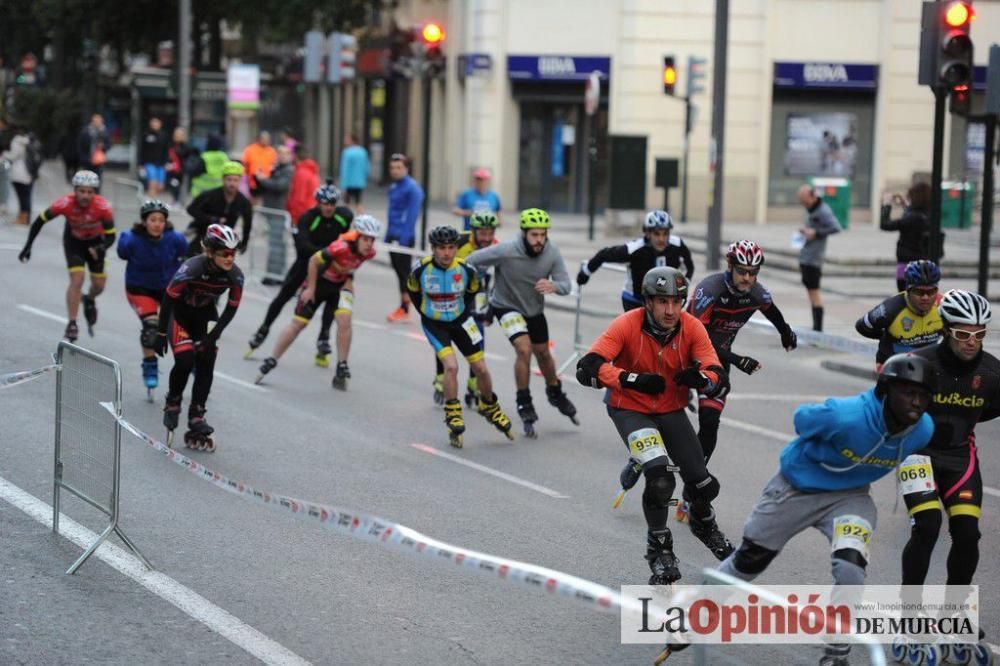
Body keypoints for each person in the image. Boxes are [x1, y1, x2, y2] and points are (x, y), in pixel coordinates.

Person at [710, 353, 935, 666]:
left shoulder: (922, 431)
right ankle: (697, 612)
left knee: (851, 566)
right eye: (908, 393)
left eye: (924, 396)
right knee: (749, 561)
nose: (916, 402)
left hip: (850, 497)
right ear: (886, 390)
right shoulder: (845, 415)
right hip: (796, 488)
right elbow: (802, 420)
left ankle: (836, 651)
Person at [575, 266, 735, 584]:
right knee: (661, 479)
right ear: (648, 302)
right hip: (629, 409)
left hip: (670, 410)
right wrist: (629, 379)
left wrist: (703, 378)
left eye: (677, 302)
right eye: (663, 302)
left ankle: (704, 524)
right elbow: (587, 366)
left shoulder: (690, 327)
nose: (671, 310)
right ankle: (660, 549)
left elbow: (718, 374)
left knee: (705, 485)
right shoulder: (627, 324)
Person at [670, 240, 797, 521]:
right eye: (742, 271)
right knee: (664, 414)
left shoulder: (756, 292)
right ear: (730, 266)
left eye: (753, 272)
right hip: (683, 354)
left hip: (717, 362)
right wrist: (738, 359)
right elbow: (698, 341)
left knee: (710, 423)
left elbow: (773, 311)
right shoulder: (710, 289)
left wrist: (786, 332)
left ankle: (691, 494)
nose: (748, 278)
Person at [899, 292, 999, 631]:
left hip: (960, 457)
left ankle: (953, 614)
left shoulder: (991, 372)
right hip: (918, 454)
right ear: (946, 330)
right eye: (963, 334)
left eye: (979, 334)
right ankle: (910, 613)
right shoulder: (919, 362)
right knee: (927, 526)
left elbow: (991, 410)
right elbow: (891, 408)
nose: (972, 342)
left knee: (968, 534)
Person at [467, 208, 577, 437]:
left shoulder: (552, 252)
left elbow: (567, 285)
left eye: (542, 235)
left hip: (534, 309)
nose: (539, 240)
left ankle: (555, 391)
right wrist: (473, 285)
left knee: (543, 354)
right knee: (524, 349)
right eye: (534, 235)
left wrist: (554, 286)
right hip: (506, 306)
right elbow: (472, 260)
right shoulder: (507, 250)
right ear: (524, 233)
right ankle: (524, 401)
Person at [408, 225, 514, 448]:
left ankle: (489, 405)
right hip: (434, 323)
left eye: (451, 248)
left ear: (457, 248)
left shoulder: (467, 269)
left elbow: (472, 292)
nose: (446, 253)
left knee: (481, 368)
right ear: (433, 249)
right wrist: (429, 313)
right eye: (441, 249)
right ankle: (453, 412)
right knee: (452, 367)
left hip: (462, 320)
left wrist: (462, 313)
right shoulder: (420, 270)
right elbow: (414, 294)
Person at [256, 215, 381, 390]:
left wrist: (348, 283)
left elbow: (348, 268)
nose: (369, 244)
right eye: (366, 239)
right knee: (298, 325)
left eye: (372, 240)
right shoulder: (340, 247)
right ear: (356, 236)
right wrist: (310, 289)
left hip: (338, 287)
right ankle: (272, 359)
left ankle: (342, 365)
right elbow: (313, 261)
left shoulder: (369, 253)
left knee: (345, 321)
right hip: (318, 284)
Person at [152, 224, 244, 451]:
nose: (229, 258)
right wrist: (161, 332)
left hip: (204, 317)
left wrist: (214, 335)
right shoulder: (191, 268)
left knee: (207, 359)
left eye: (233, 253)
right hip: (180, 315)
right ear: (211, 252)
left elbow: (232, 308)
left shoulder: (235, 275)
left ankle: (197, 414)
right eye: (224, 253)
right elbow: (168, 298)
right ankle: (173, 402)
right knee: (184, 360)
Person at [246, 181, 354, 365]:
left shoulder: (343, 217)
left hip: (330, 268)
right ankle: (263, 330)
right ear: (318, 202)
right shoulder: (308, 218)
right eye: (325, 204)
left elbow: (349, 239)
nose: (328, 208)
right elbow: (303, 247)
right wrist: (329, 253)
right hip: (306, 263)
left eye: (332, 204)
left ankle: (324, 338)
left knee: (332, 299)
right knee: (283, 296)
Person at [18, 170, 115, 342]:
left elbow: (111, 235)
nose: (85, 196)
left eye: (90, 192)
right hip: (74, 242)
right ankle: (72, 323)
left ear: (95, 192)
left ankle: (89, 299)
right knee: (77, 279)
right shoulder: (64, 204)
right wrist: (28, 246)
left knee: (99, 286)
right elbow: (39, 221)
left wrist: (101, 249)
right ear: (75, 190)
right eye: (81, 191)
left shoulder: (103, 207)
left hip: (96, 243)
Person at [116, 200, 188, 396]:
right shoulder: (132, 239)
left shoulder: (175, 238)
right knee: (151, 328)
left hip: (166, 289)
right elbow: (122, 252)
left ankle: (192, 360)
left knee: (179, 327)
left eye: (161, 220)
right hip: (139, 288)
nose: (157, 224)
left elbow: (186, 256)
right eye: (152, 220)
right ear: (144, 221)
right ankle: (150, 365)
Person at [431, 210, 500, 407]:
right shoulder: (458, 242)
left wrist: (492, 305)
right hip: (452, 291)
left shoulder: (497, 246)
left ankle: (473, 380)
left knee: (477, 334)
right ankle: (440, 375)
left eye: (490, 233)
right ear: (473, 231)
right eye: (483, 234)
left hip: (477, 293)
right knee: (445, 337)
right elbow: (435, 264)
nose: (487, 238)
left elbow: (500, 277)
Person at [577, 210, 694, 311]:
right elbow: (604, 254)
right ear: (648, 233)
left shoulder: (677, 245)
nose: (661, 239)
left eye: (665, 234)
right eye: (656, 234)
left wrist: (686, 283)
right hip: (635, 300)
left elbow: (690, 266)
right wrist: (586, 272)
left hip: (663, 300)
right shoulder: (634, 249)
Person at [855, 260, 943, 370]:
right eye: (919, 292)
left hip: (928, 364)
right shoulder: (889, 309)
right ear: (908, 290)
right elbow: (861, 326)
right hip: (894, 365)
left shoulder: (944, 305)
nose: (925, 297)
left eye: (931, 292)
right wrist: (885, 336)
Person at [385, 153, 424, 322]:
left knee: (405, 274)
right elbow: (391, 213)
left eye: (399, 168)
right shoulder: (393, 187)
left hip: (403, 238)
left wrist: (404, 238)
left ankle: (406, 308)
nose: (395, 171)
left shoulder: (413, 188)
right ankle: (405, 305)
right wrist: (387, 236)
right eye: (392, 168)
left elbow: (412, 214)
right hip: (392, 235)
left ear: (407, 169)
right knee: (400, 272)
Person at [796, 183, 841, 332]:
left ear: (812, 196)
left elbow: (836, 227)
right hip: (806, 256)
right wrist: (806, 232)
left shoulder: (823, 210)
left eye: (804, 200)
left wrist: (816, 233)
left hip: (814, 259)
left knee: (814, 293)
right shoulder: (812, 209)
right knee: (811, 292)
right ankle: (816, 328)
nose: (803, 204)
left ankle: (818, 329)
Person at [185, 161, 253, 256]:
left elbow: (247, 223)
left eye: (235, 180)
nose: (232, 183)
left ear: (240, 181)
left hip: (224, 243)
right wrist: (212, 219)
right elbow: (191, 209)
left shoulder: (244, 202)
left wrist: (244, 243)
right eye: (229, 180)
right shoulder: (210, 195)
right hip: (201, 235)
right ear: (223, 179)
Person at [880, 182, 935, 291]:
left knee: (905, 296)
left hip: (906, 264)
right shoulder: (928, 215)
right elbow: (913, 214)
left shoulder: (913, 218)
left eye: (910, 197)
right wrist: (905, 205)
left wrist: (887, 204)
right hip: (924, 262)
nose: (909, 199)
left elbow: (885, 225)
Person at [255, 144, 294, 281]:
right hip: (272, 210)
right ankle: (274, 273)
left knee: (276, 244)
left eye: (285, 153)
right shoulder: (277, 168)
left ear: (289, 156)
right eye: (280, 153)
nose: (281, 156)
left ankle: (274, 275)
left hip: (279, 210)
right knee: (275, 244)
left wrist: (264, 180)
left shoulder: (288, 170)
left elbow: (280, 186)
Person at [1, 124, 34, 226]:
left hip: (20, 173)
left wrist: (3, 154)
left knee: (23, 197)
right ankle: (24, 217)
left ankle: (23, 219)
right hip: (29, 172)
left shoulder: (17, 141)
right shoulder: (27, 140)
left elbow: (13, 156)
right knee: (26, 196)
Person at [286, 145, 321, 223]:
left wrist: (294, 218)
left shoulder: (301, 173)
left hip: (302, 216)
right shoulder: (311, 170)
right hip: (310, 213)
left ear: (295, 156)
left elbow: (299, 199)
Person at [242, 130, 277, 205]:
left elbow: (274, 165)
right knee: (252, 203)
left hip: (267, 182)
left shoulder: (271, 151)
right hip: (253, 182)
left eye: (268, 139)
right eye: (264, 139)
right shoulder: (250, 149)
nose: (266, 141)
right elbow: (245, 164)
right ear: (259, 139)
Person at [188, 134, 228, 198]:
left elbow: (193, 172)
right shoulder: (224, 157)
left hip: (202, 193)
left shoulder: (205, 157)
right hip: (219, 193)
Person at [138, 117, 169, 196]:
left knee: (160, 186)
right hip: (149, 162)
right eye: (153, 124)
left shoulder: (164, 135)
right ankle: (150, 201)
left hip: (161, 163)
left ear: (160, 125)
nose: (154, 125)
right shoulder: (146, 135)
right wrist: (141, 164)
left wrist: (166, 162)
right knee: (152, 183)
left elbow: (166, 150)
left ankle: (155, 200)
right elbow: (142, 150)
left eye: (156, 123)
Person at [339, 133, 370, 208]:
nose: (345, 141)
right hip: (359, 182)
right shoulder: (363, 151)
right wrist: (364, 179)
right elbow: (367, 167)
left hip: (349, 183)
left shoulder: (347, 152)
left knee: (347, 203)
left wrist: (343, 185)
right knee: (358, 202)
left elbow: (345, 170)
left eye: (347, 139)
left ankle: (346, 219)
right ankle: (362, 218)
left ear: (352, 140)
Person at [77, 114, 109, 183]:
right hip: (87, 160)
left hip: (98, 161)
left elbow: (108, 144)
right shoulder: (86, 132)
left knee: (97, 180)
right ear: (92, 122)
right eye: (96, 121)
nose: (97, 123)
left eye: (99, 122)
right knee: (86, 179)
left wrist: (103, 146)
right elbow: (80, 145)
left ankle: (96, 193)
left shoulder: (104, 132)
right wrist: (82, 158)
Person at [165, 127, 194, 204]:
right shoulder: (170, 145)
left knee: (179, 186)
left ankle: (178, 201)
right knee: (172, 185)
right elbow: (167, 156)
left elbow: (188, 158)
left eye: (179, 135)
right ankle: (175, 200)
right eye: (176, 134)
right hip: (171, 170)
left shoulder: (186, 146)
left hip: (181, 171)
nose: (177, 136)